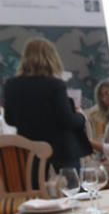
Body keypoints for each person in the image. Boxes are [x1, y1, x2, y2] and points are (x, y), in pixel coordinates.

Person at [1, 38, 91, 175]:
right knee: (72, 187)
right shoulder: (55, 85)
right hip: (61, 147)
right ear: (52, 58)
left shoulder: (11, 85)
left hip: (29, 147)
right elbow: (67, 120)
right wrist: (81, 117)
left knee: (34, 189)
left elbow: (10, 120)